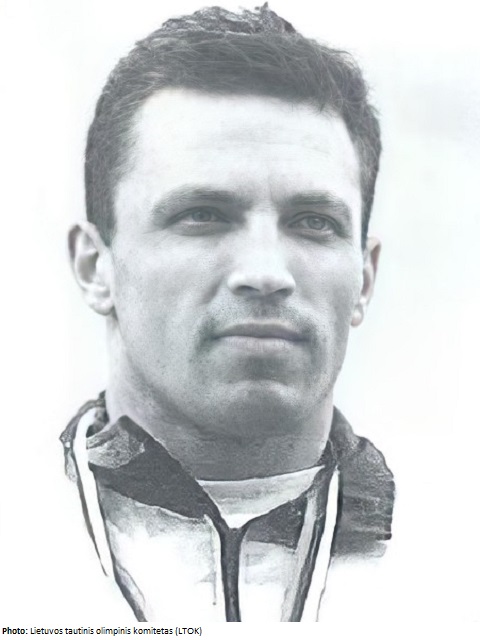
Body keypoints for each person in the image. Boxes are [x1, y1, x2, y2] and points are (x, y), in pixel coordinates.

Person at [62, 3, 395, 623]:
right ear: (94, 266)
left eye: (313, 222)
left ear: (365, 277)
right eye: (203, 216)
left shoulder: (459, 558)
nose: (266, 272)